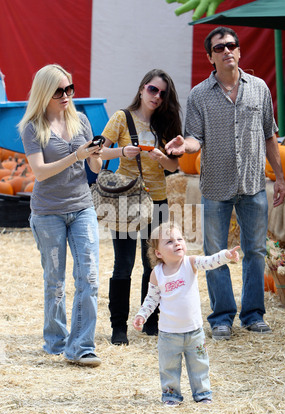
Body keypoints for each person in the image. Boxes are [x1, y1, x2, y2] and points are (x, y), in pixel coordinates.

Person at [165, 27, 285, 341]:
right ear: (210, 57)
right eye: (220, 48)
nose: (227, 50)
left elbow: (270, 136)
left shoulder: (259, 88)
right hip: (216, 186)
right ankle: (221, 319)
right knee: (215, 253)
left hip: (253, 184)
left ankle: (253, 315)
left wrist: (281, 177)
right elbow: (195, 139)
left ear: (239, 51)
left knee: (255, 251)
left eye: (232, 45)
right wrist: (184, 145)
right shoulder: (199, 95)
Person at [18, 64, 103, 366]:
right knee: (55, 280)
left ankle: (81, 347)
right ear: (45, 93)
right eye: (59, 91)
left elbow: (93, 167)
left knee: (89, 276)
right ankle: (55, 340)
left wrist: (96, 157)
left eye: (70, 89)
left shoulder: (81, 120)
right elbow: (39, 173)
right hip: (48, 212)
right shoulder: (32, 127)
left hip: (82, 206)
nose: (66, 95)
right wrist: (76, 156)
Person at [101, 69, 182, 345]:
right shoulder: (121, 118)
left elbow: (174, 167)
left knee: (154, 264)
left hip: (158, 200)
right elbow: (100, 151)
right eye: (152, 89)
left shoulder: (165, 124)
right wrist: (122, 152)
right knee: (123, 264)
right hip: (126, 201)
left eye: (162, 93)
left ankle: (150, 321)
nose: (156, 96)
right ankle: (118, 327)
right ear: (141, 89)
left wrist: (163, 158)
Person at [133, 222, 240, 405]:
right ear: (158, 253)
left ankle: (203, 394)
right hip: (168, 334)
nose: (177, 243)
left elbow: (210, 261)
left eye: (179, 239)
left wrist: (226, 256)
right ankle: (171, 396)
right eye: (169, 242)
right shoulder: (156, 274)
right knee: (168, 368)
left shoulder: (190, 263)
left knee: (200, 364)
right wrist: (142, 315)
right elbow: (151, 299)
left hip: (194, 331)